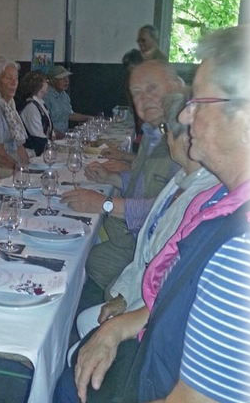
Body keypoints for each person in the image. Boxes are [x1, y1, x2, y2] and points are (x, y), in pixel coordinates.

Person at [0, 21, 250, 403]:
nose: (184, 116)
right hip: (164, 380)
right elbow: (177, 295)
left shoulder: (249, 248)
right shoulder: (231, 205)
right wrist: (119, 327)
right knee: (72, 387)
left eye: (199, 103)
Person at [76, 91, 218, 338]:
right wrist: (123, 297)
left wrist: (131, 312)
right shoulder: (180, 179)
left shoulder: (204, 194)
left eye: (167, 129)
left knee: (87, 320)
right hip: (144, 290)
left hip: (162, 313)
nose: (165, 136)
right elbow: (147, 253)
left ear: (188, 138)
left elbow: (169, 273)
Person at [61, 60, 183, 291]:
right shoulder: (153, 132)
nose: (144, 98)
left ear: (177, 85)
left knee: (78, 255)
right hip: (136, 239)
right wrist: (110, 178)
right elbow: (143, 183)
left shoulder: (186, 141)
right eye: (137, 93)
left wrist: (105, 204)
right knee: (80, 257)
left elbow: (171, 209)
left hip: (161, 251)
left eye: (152, 88)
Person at [44, 65, 91, 138]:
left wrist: (90, 118)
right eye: (62, 78)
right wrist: (65, 137)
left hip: (64, 136)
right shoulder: (46, 96)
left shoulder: (64, 95)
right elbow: (45, 125)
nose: (66, 81)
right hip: (51, 138)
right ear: (52, 81)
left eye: (67, 77)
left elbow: (70, 115)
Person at [18, 70, 53, 156]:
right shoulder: (31, 107)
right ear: (39, 85)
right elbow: (38, 136)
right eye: (46, 81)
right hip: (32, 154)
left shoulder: (40, 103)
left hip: (41, 151)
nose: (48, 83)